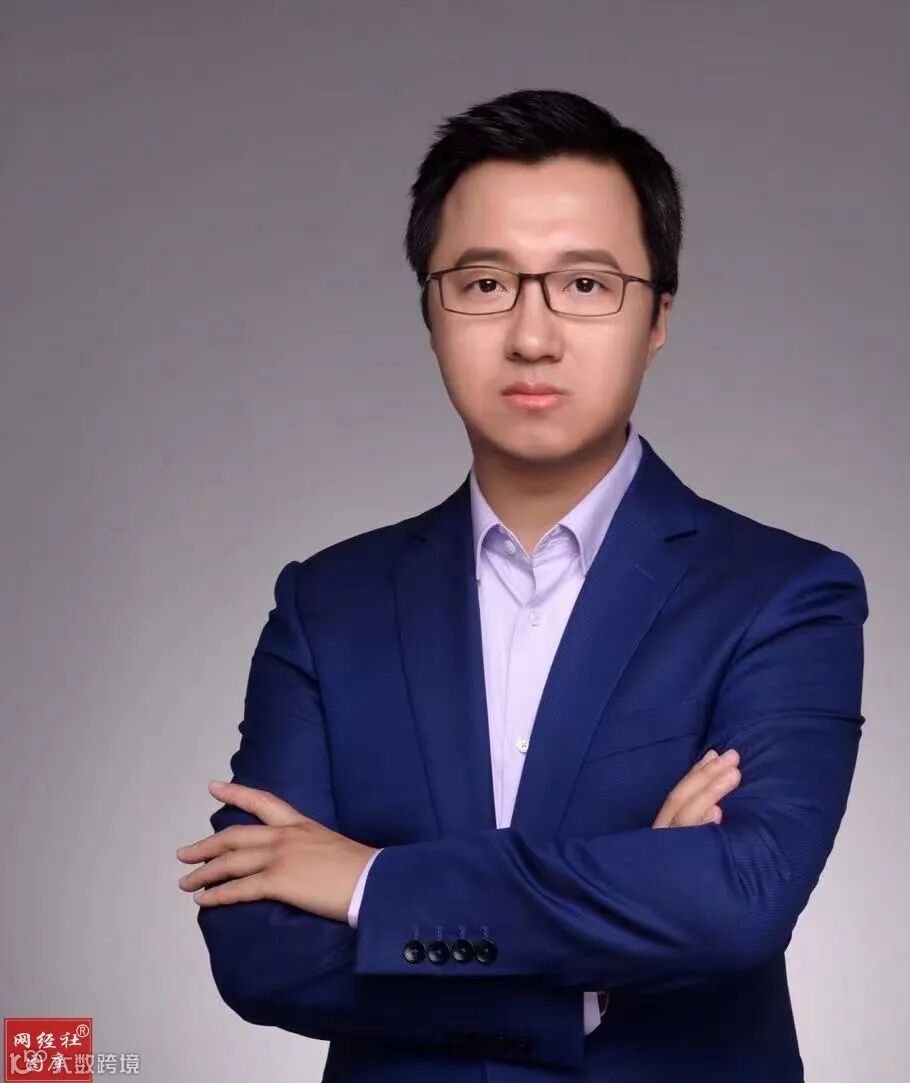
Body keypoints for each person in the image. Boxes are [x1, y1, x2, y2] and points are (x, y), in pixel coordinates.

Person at [176, 88, 868, 1082]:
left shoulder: (782, 594)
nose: (532, 337)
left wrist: (368, 886)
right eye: (484, 283)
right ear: (429, 309)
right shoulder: (327, 606)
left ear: (657, 316)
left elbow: (739, 900)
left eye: (585, 284)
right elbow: (260, 948)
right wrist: (602, 958)